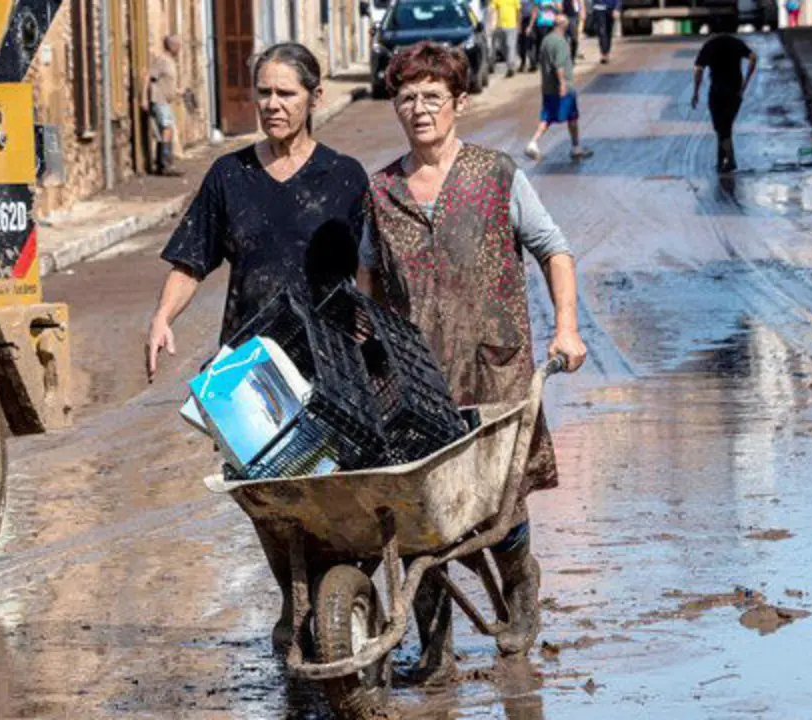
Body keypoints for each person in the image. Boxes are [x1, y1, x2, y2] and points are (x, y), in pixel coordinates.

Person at [359, 40, 587, 681]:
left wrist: (567, 328)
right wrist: (363, 353)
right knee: (418, 513)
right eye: (407, 97)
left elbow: (554, 249)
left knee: (501, 504)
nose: (420, 108)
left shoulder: (497, 174)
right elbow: (366, 280)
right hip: (415, 381)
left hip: (495, 369)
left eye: (433, 96)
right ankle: (435, 649)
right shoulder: (381, 191)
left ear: (458, 102)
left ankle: (519, 586)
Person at [146, 43, 370, 652]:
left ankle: (330, 595)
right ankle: (295, 596)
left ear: (315, 98)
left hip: (328, 365)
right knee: (267, 498)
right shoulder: (230, 177)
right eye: (264, 92)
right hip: (252, 372)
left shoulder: (344, 177)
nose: (272, 104)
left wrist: (374, 329)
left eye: (286, 93)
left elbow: (369, 267)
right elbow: (191, 260)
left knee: (333, 491)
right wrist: (162, 317)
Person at [524, 15, 593, 161]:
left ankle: (533, 143)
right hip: (563, 86)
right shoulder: (561, 42)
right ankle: (576, 148)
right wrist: (562, 84)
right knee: (572, 116)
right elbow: (559, 65)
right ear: (563, 25)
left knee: (547, 117)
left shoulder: (546, 40)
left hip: (547, 86)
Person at [692, 33, 757, 172]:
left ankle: (729, 159)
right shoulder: (736, 42)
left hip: (717, 92)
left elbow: (698, 70)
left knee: (721, 127)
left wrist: (696, 92)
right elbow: (753, 57)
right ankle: (723, 160)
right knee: (726, 125)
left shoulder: (709, 45)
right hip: (735, 90)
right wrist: (746, 82)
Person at [143, 35, 186, 176]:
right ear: (172, 46)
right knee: (167, 129)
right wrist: (144, 99)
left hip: (166, 101)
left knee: (168, 130)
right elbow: (148, 77)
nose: (179, 49)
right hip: (159, 100)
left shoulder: (171, 62)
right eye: (178, 46)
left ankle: (165, 163)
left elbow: (166, 82)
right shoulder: (161, 60)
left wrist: (178, 91)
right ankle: (164, 164)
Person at [489, 0, 521, 77]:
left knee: (510, 46)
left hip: (512, 25)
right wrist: (492, 25)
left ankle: (510, 67)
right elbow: (493, 10)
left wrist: (518, 25)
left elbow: (518, 11)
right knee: (503, 47)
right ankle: (511, 63)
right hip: (500, 27)